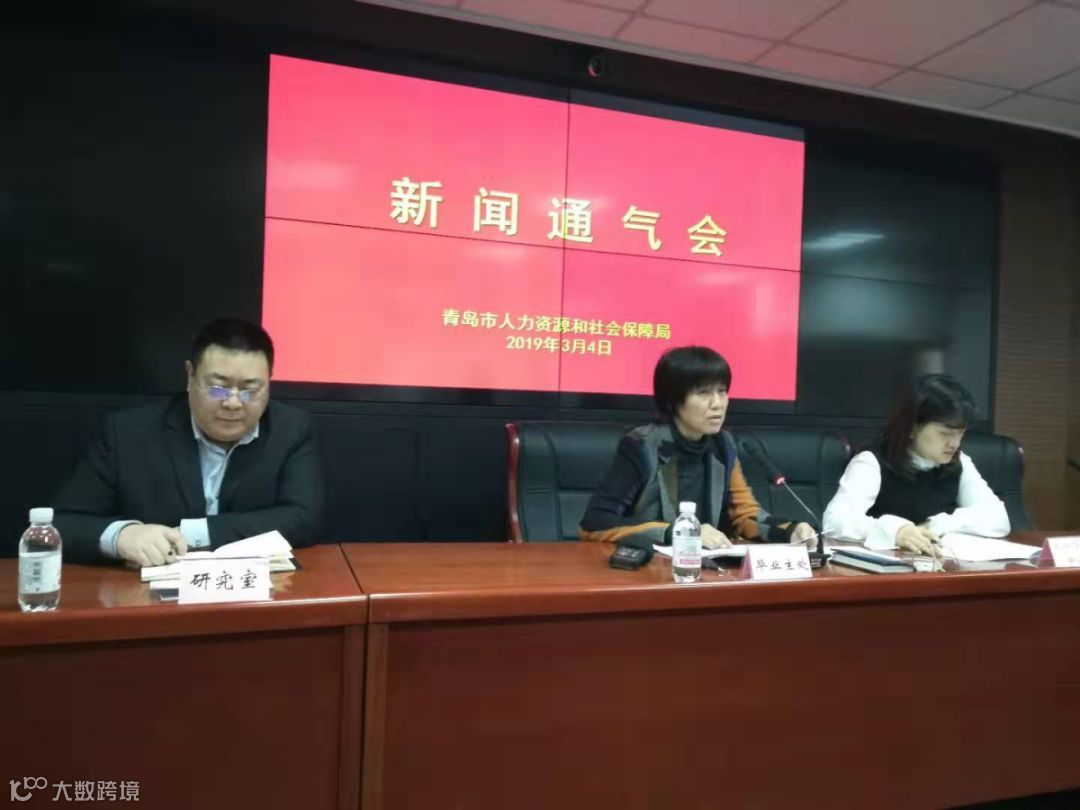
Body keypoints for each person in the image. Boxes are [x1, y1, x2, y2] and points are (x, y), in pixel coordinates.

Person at [54, 318, 324, 565]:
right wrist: (122, 536)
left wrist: (192, 533)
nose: (232, 403)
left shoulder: (290, 429)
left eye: (250, 390)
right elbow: (63, 524)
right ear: (190, 376)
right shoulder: (129, 433)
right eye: (218, 388)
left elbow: (303, 518)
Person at [579, 346, 816, 548]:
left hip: (705, 572)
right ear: (673, 400)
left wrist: (789, 530)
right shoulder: (641, 446)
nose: (718, 404)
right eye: (704, 393)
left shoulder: (722, 445)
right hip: (648, 571)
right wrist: (677, 532)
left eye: (722, 392)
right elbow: (594, 523)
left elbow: (744, 516)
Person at [823, 374, 1009, 554]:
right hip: (881, 569)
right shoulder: (872, 462)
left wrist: (941, 524)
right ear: (912, 428)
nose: (955, 443)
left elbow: (998, 519)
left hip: (939, 566)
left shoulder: (959, 462)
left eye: (960, 433)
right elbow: (834, 522)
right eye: (945, 434)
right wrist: (895, 530)